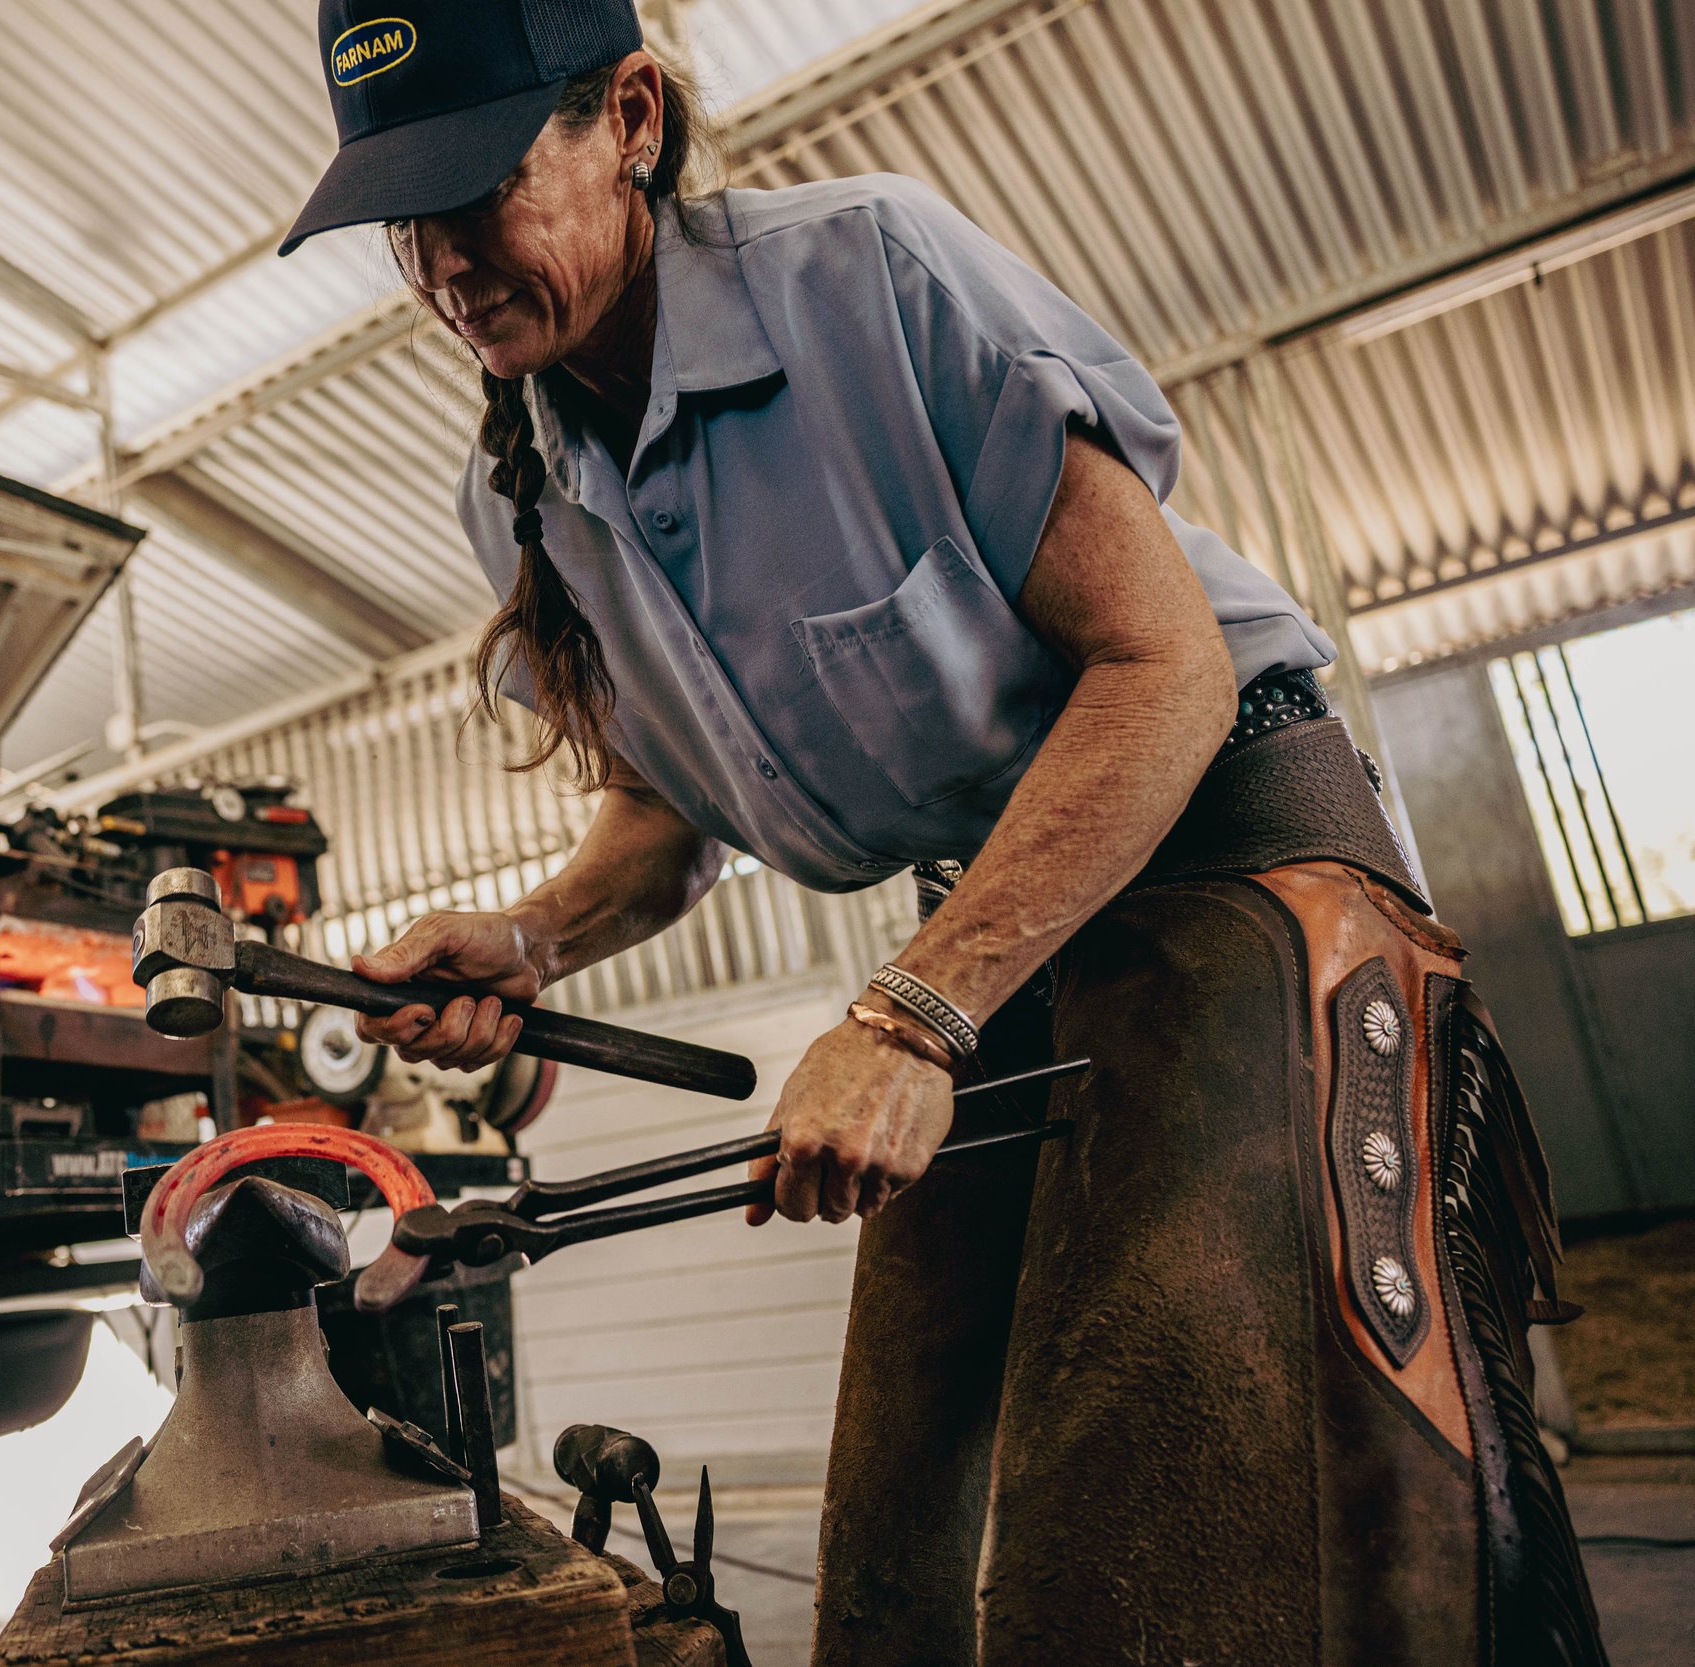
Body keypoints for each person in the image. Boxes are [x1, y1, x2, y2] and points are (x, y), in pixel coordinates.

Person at [279, 3, 1606, 1663]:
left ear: (628, 116)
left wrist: (912, 1013)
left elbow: (1163, 664)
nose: (442, 260)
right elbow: (671, 810)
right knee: (902, 1536)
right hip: (991, 930)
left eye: (477, 188)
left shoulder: (864, 275)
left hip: (1225, 848)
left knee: (1152, 1521)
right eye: (401, 218)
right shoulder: (518, 482)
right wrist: (534, 937)